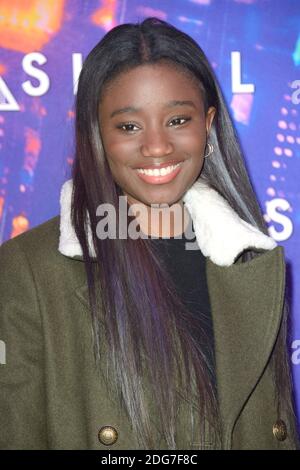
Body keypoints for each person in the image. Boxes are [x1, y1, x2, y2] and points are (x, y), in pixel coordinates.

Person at [0, 17, 299, 450]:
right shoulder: (26, 272)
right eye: (128, 126)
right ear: (95, 135)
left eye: (178, 120)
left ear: (208, 125)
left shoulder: (251, 260)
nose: (157, 147)